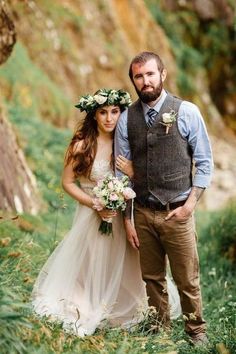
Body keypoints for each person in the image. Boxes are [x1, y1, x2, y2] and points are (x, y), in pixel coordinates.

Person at [115, 51, 213, 346]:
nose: (145, 81)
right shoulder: (126, 119)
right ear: (133, 80)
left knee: (187, 279)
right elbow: (122, 176)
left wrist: (190, 205)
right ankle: (160, 331)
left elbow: (205, 163)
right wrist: (128, 219)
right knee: (152, 278)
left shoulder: (187, 112)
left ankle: (196, 331)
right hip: (143, 212)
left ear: (163, 75)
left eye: (150, 74)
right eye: (138, 76)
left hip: (178, 210)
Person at [32, 88, 148, 337]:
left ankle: (120, 305)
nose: (109, 118)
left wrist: (132, 172)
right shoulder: (82, 144)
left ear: (122, 113)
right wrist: (95, 203)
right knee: (93, 260)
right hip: (93, 214)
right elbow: (68, 183)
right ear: (93, 115)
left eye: (115, 112)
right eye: (103, 112)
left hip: (122, 216)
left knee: (125, 260)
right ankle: (88, 302)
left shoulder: (126, 143)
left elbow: (141, 180)